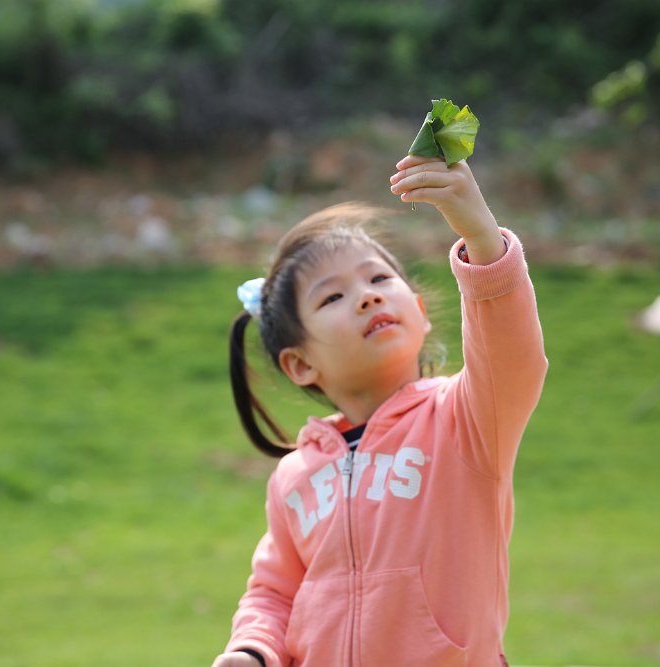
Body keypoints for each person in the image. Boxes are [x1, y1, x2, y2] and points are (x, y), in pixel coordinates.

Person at [211, 154, 548, 667]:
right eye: (332, 298)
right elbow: (274, 593)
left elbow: (512, 355)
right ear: (300, 364)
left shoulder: (465, 420)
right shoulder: (294, 477)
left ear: (420, 311)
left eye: (379, 279)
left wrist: (482, 240)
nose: (367, 298)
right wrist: (252, 651)